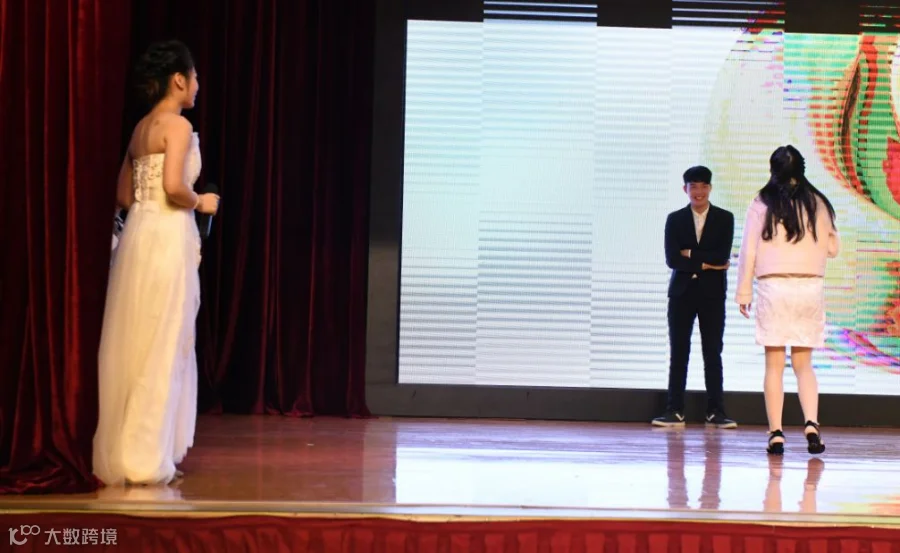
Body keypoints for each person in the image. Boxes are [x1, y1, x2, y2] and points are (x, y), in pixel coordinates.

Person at [92, 40, 219, 485]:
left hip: (138, 238)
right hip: (166, 237)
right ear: (179, 80)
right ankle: (146, 459)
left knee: (135, 340)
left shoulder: (141, 128)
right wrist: (201, 201)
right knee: (163, 341)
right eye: (195, 77)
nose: (198, 85)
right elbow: (173, 187)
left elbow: (123, 195)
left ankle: (130, 451)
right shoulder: (178, 126)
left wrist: (150, 208)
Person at [735, 145, 838, 456]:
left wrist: (743, 291)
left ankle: (776, 433)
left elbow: (748, 250)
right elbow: (833, 248)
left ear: (773, 169)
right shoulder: (819, 202)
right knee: (804, 365)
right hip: (809, 287)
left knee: (774, 365)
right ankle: (811, 424)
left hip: (774, 287)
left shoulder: (761, 202)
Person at [653, 166, 737, 429]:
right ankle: (674, 410)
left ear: (710, 188)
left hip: (712, 295)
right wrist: (706, 264)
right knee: (679, 352)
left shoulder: (725, 218)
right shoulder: (675, 219)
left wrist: (690, 254)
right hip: (681, 294)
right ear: (685, 189)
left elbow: (722, 256)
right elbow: (672, 259)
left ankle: (716, 412)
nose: (698, 192)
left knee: (713, 352)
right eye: (693, 186)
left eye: (703, 186)